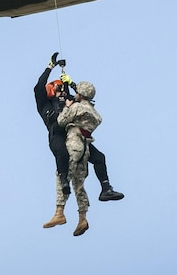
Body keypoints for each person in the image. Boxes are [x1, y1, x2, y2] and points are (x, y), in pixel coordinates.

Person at [35, 55, 123, 234]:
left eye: (61, 88)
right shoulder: (45, 104)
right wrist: (50, 67)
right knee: (63, 156)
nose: (60, 91)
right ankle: (62, 195)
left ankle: (102, 191)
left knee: (97, 158)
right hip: (57, 134)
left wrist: (67, 78)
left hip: (74, 135)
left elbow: (82, 96)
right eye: (57, 88)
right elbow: (38, 88)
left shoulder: (68, 99)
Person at [56, 79, 103, 236]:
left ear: (81, 94)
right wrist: (71, 83)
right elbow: (83, 97)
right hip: (86, 148)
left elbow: (61, 121)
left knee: (63, 175)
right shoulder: (94, 113)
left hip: (74, 142)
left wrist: (67, 107)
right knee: (79, 183)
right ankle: (83, 218)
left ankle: (59, 212)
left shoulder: (76, 107)